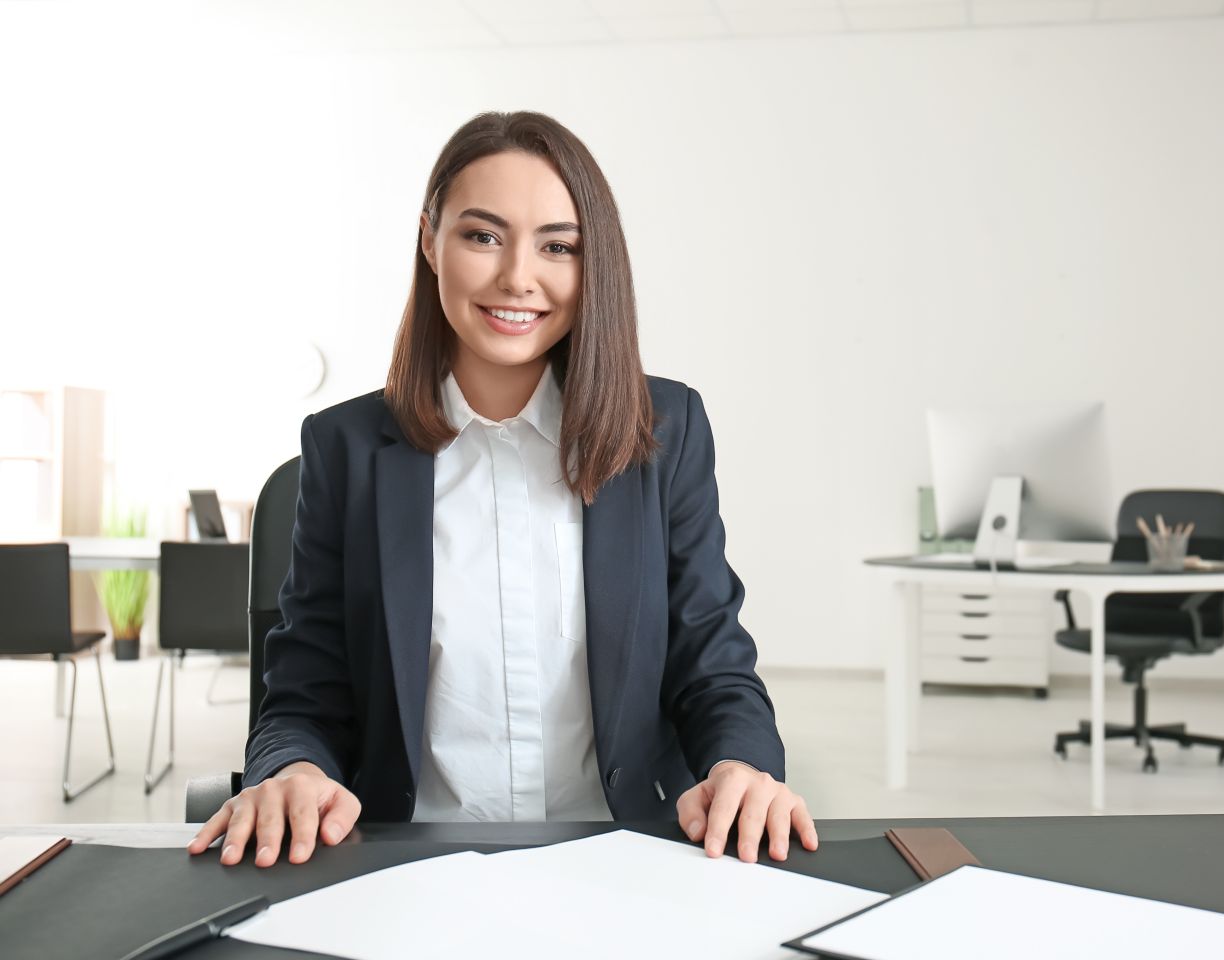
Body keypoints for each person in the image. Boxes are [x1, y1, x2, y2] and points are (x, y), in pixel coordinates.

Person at [188, 111, 817, 869]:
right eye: (483, 236)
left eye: (558, 246)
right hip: (407, 866)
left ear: (594, 267)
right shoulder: (347, 449)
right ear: (430, 240)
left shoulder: (666, 430)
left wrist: (740, 767)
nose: (518, 275)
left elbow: (711, 664)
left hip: (628, 861)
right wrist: (293, 772)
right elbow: (305, 690)